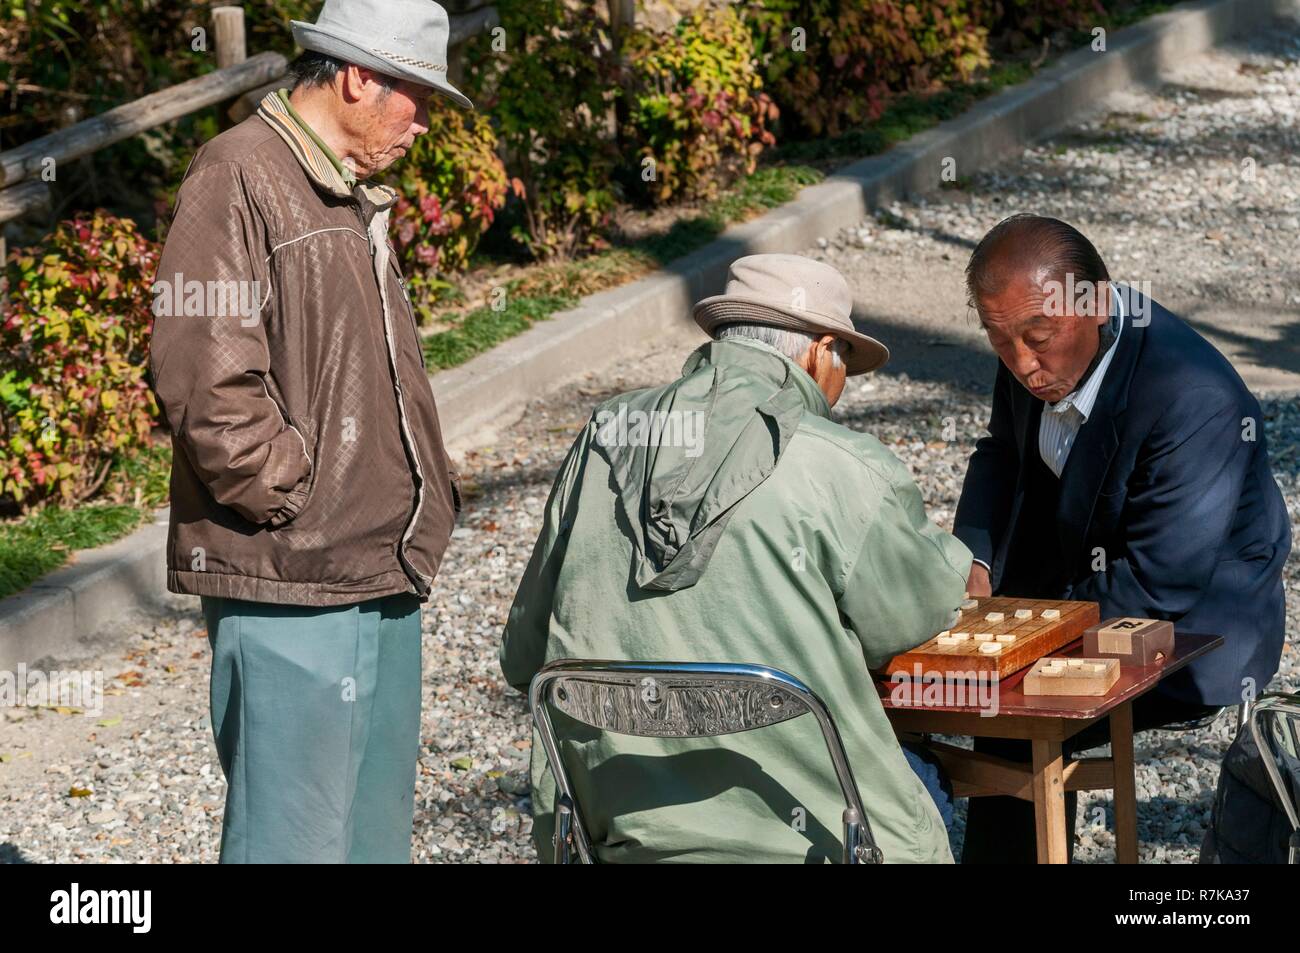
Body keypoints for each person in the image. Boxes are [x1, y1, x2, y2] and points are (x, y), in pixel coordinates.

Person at [500, 253, 971, 863]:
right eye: (846, 365)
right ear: (821, 351)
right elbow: (911, 616)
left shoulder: (605, 437)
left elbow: (523, 655)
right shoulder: (843, 465)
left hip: (616, 836)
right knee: (927, 774)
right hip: (815, 841)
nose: (843, 385)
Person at [147, 0, 473, 862]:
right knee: (288, 845)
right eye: (419, 97)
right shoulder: (239, 172)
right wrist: (289, 491)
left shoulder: (343, 188)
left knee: (369, 845)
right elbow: (200, 370)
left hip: (379, 565)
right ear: (361, 76)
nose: (424, 123)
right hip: (291, 572)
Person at [953, 213, 1291, 863]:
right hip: (1081, 566)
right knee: (943, 687)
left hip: (1197, 619)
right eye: (1000, 340)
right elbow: (1002, 453)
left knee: (1017, 711)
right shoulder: (1026, 329)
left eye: (1038, 337)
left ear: (1097, 303)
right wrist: (972, 559)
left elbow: (1162, 581)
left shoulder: (1196, 396)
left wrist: (1019, 633)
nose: (1022, 363)